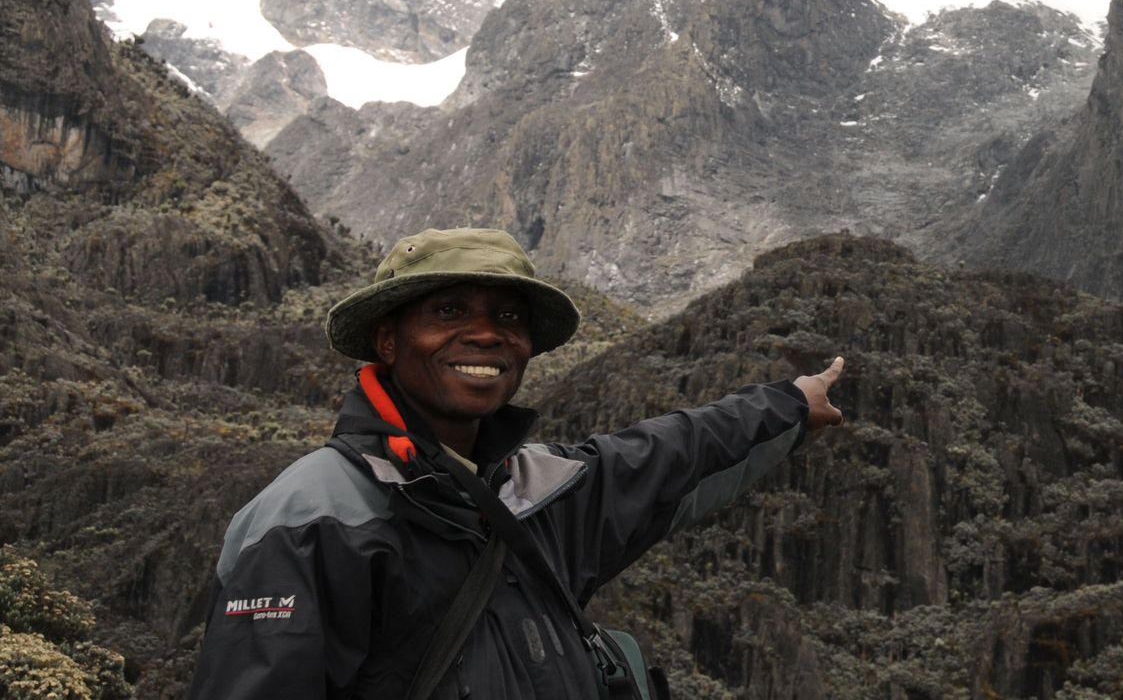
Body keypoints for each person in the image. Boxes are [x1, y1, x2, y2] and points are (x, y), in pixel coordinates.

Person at [190, 227, 841, 697]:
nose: (486, 333)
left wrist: (789, 404)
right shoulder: (310, 518)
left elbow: (672, 454)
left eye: (508, 315)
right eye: (449, 310)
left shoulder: (542, 490)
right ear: (388, 339)